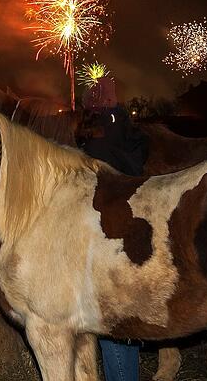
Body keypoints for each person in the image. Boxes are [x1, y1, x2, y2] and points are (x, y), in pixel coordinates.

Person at [77, 76, 148, 381]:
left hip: (107, 240)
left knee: (112, 323)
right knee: (125, 323)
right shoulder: (127, 134)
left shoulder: (96, 143)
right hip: (131, 238)